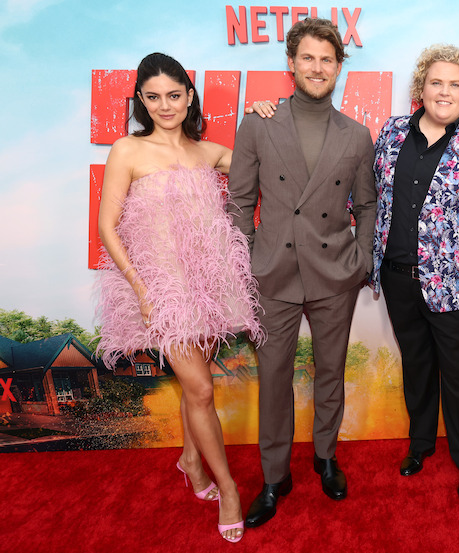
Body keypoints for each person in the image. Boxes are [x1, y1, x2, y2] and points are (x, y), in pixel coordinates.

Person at [96, 52, 264, 544]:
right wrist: (143, 290)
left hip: (208, 284)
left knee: (197, 389)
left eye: (174, 95)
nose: (164, 106)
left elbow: (267, 164)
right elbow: (108, 228)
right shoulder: (127, 150)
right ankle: (228, 489)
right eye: (153, 97)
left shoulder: (209, 151)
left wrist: (258, 117)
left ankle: (191, 458)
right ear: (141, 101)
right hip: (161, 289)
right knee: (203, 390)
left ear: (189, 96)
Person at [227, 18, 376, 528]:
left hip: (335, 271)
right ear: (291, 64)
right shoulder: (258, 124)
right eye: (308, 58)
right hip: (274, 273)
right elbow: (241, 201)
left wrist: (362, 259)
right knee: (274, 377)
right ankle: (274, 477)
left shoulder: (356, 135)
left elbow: (369, 203)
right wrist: (249, 258)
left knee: (331, 371)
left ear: (340, 67)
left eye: (327, 59)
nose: (317, 67)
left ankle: (326, 457)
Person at [371, 45, 459, 503]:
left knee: (456, 374)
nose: (445, 91)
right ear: (421, 88)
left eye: (456, 84)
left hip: (454, 284)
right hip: (397, 277)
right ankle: (420, 446)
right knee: (416, 366)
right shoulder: (392, 134)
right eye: (437, 82)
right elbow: (374, 198)